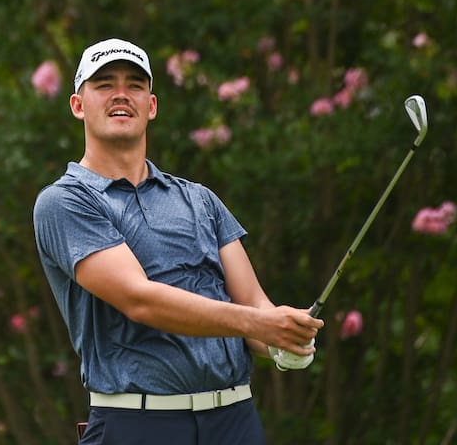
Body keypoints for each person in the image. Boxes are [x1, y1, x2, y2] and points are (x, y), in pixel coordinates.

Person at [33, 38, 324, 444]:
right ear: (78, 105)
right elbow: (140, 299)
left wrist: (284, 340)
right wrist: (261, 323)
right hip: (138, 425)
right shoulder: (65, 202)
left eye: (135, 84)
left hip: (235, 421)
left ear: (151, 106)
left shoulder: (200, 200)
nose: (121, 94)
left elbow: (254, 304)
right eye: (104, 85)